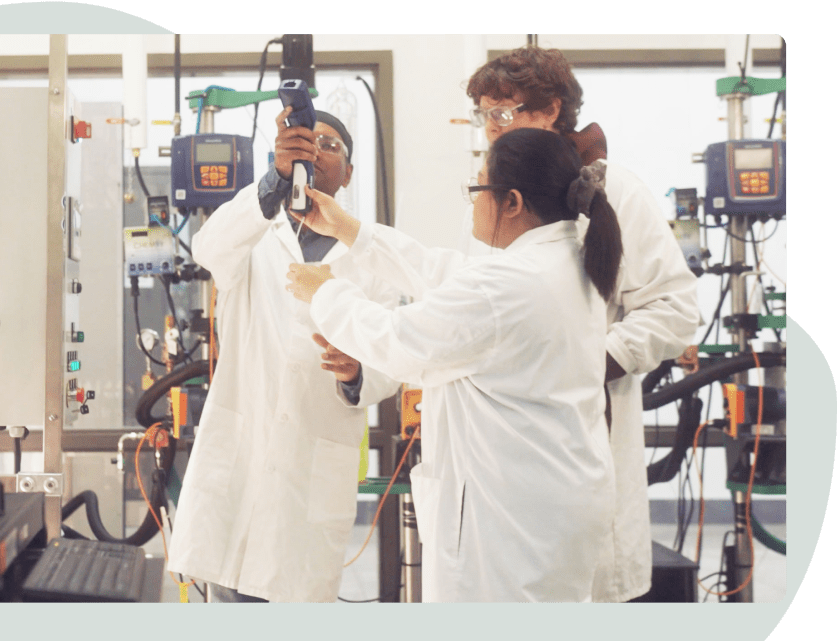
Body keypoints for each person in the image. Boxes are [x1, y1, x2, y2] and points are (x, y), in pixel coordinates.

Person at [286, 127, 622, 602]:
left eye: (477, 189)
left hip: (507, 527)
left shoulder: (510, 284)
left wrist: (325, 291)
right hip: (552, 507)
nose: (472, 202)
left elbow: (399, 341)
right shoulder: (564, 263)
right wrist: (350, 231)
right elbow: (440, 272)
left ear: (512, 203)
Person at [462, 46, 700, 602]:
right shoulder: (495, 190)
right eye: (483, 115)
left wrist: (581, 364)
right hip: (507, 441)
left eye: (503, 112)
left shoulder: (612, 188)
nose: (490, 129)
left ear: (551, 110)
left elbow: (673, 308)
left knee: (582, 595)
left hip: (582, 433)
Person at [166, 108, 401, 603]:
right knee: (231, 596)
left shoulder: (372, 259)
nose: (317, 151)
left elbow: (392, 356)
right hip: (242, 464)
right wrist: (271, 180)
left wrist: (359, 373)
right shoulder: (255, 236)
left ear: (349, 173)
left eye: (331, 145)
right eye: (308, 143)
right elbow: (208, 247)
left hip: (313, 466)